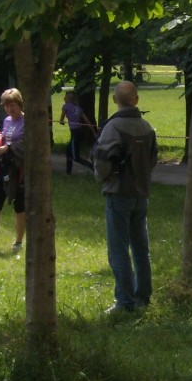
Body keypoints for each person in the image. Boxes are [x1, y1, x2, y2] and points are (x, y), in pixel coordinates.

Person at [93, 81, 158, 313]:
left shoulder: (113, 128)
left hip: (118, 193)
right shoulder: (147, 127)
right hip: (141, 194)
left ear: (114, 100)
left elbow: (101, 163)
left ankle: (124, 301)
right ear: (137, 100)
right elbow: (152, 161)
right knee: (141, 248)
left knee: (118, 249)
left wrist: (103, 179)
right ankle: (143, 297)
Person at [0, 88, 26, 253]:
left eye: (13, 105)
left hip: (19, 170)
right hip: (3, 168)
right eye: (7, 106)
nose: (10, 109)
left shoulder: (27, 122)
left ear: (20, 104)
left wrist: (9, 147)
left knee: (19, 207)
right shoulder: (7, 121)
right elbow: (3, 138)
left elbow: (28, 144)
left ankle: (18, 242)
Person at [59, 91, 97, 174]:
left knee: (76, 157)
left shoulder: (65, 107)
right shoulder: (78, 108)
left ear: (68, 99)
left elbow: (61, 120)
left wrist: (62, 122)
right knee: (68, 152)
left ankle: (94, 169)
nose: (64, 98)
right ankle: (68, 173)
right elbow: (87, 121)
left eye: (65, 97)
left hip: (74, 133)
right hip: (79, 132)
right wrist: (94, 133)